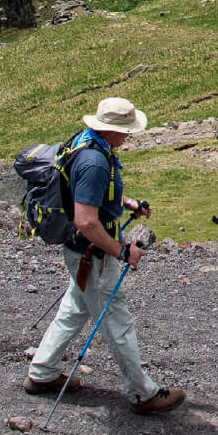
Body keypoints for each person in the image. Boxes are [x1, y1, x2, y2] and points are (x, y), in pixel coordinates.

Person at [24, 96, 184, 414]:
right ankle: (143, 393)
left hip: (81, 253)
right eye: (126, 130)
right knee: (116, 319)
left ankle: (42, 373)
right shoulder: (96, 162)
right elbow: (85, 220)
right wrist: (122, 251)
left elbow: (91, 191)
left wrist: (126, 203)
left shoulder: (87, 143)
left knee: (74, 309)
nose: (128, 136)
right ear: (112, 130)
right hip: (92, 254)